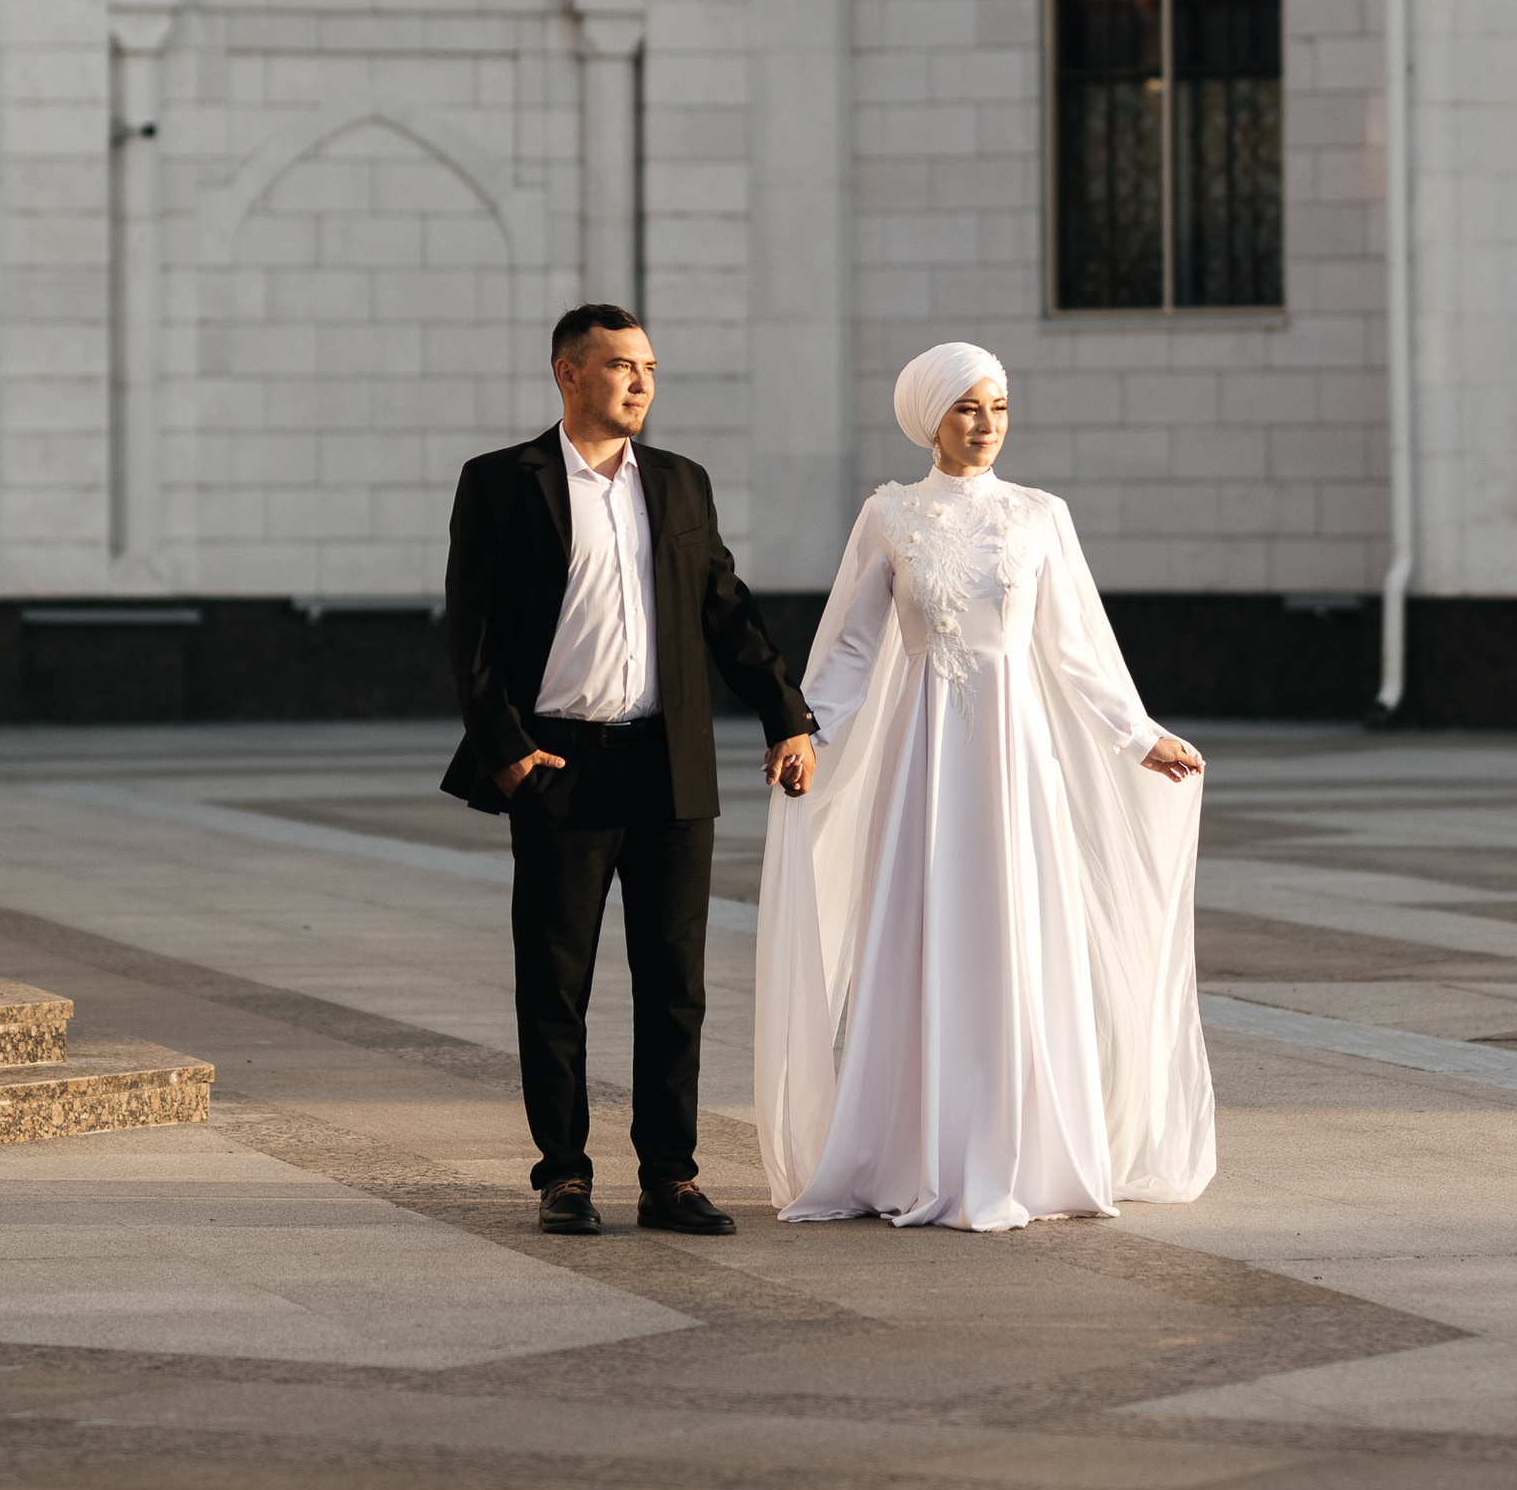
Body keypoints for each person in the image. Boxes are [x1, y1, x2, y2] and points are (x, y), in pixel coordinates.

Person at [754, 340, 1215, 1234]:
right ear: (930, 417)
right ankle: (910, 1151)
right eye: (967, 408)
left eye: (998, 406)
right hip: (923, 762)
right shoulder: (888, 517)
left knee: (1017, 933)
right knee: (923, 931)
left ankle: (1028, 1154)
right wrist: (808, 732)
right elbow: (848, 646)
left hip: (1016, 759)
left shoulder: (1041, 516)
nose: (986, 425)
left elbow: (1078, 649)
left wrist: (1138, 734)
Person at [443, 303, 817, 1236]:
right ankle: (564, 1174)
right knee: (556, 980)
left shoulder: (681, 484)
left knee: (675, 983)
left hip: (668, 765)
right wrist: (509, 759)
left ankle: (671, 1177)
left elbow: (725, 611)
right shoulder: (501, 482)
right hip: (560, 764)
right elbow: (473, 636)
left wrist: (787, 717)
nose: (641, 382)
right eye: (620, 366)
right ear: (569, 376)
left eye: (649, 366)